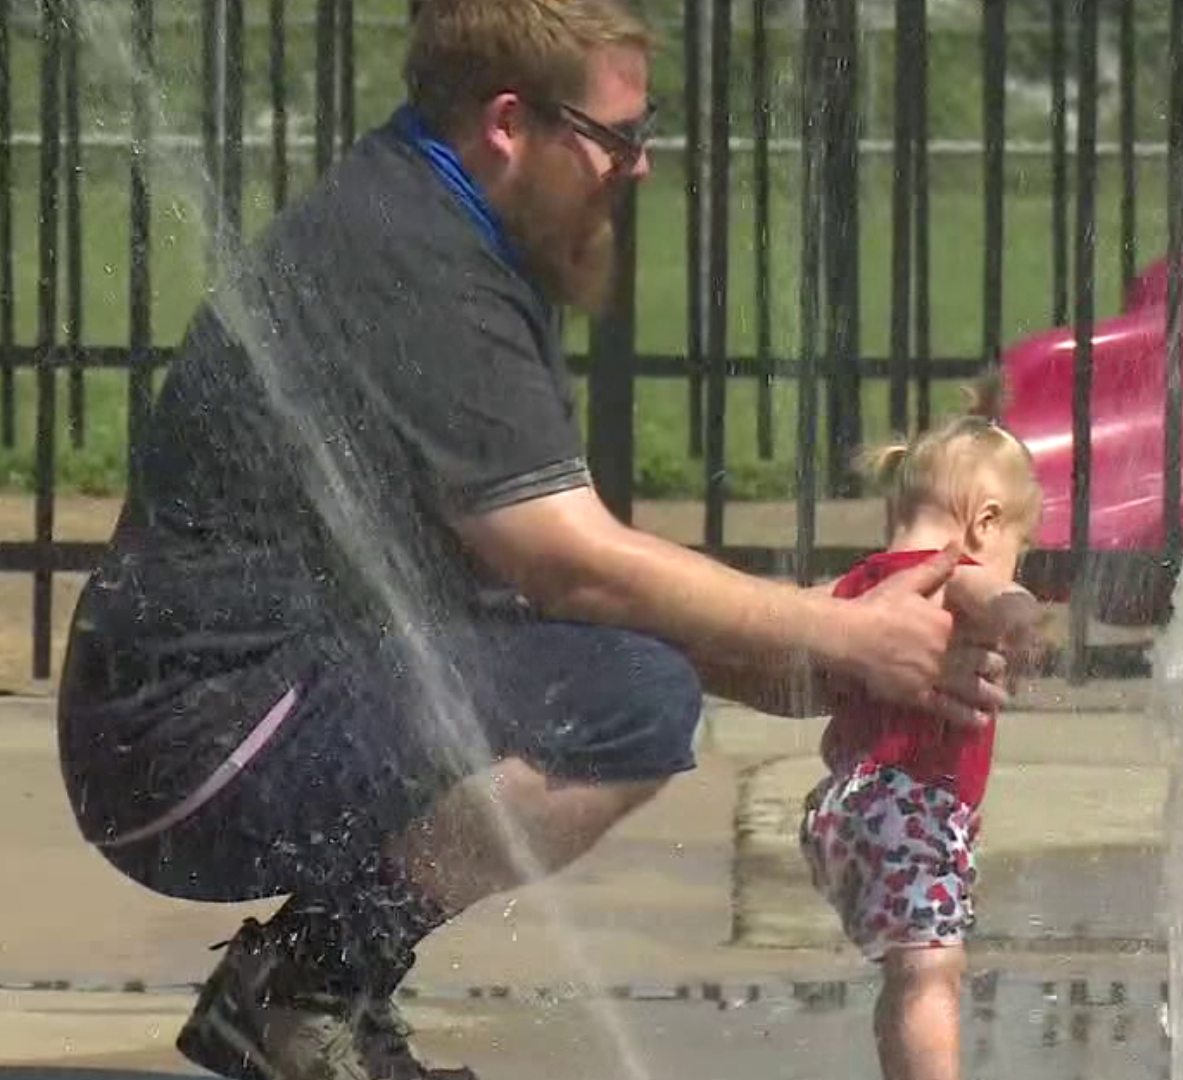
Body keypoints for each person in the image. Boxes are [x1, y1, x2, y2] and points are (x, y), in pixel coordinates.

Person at [53, 3, 1011, 1079]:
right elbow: (570, 564)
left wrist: (804, 655)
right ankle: (306, 989)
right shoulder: (421, 263)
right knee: (628, 703)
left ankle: (310, 989)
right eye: (617, 137)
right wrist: (840, 638)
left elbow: (550, 579)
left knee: (622, 677)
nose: (637, 167)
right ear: (511, 122)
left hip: (233, 713)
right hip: (191, 749)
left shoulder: (436, 220)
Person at [798, 416, 1043, 1080]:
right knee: (934, 974)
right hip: (910, 813)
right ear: (984, 523)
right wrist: (1022, 619)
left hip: (844, 812)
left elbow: (832, 717)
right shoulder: (949, 570)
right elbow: (992, 595)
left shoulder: (865, 585)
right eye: (1019, 546)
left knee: (911, 976)